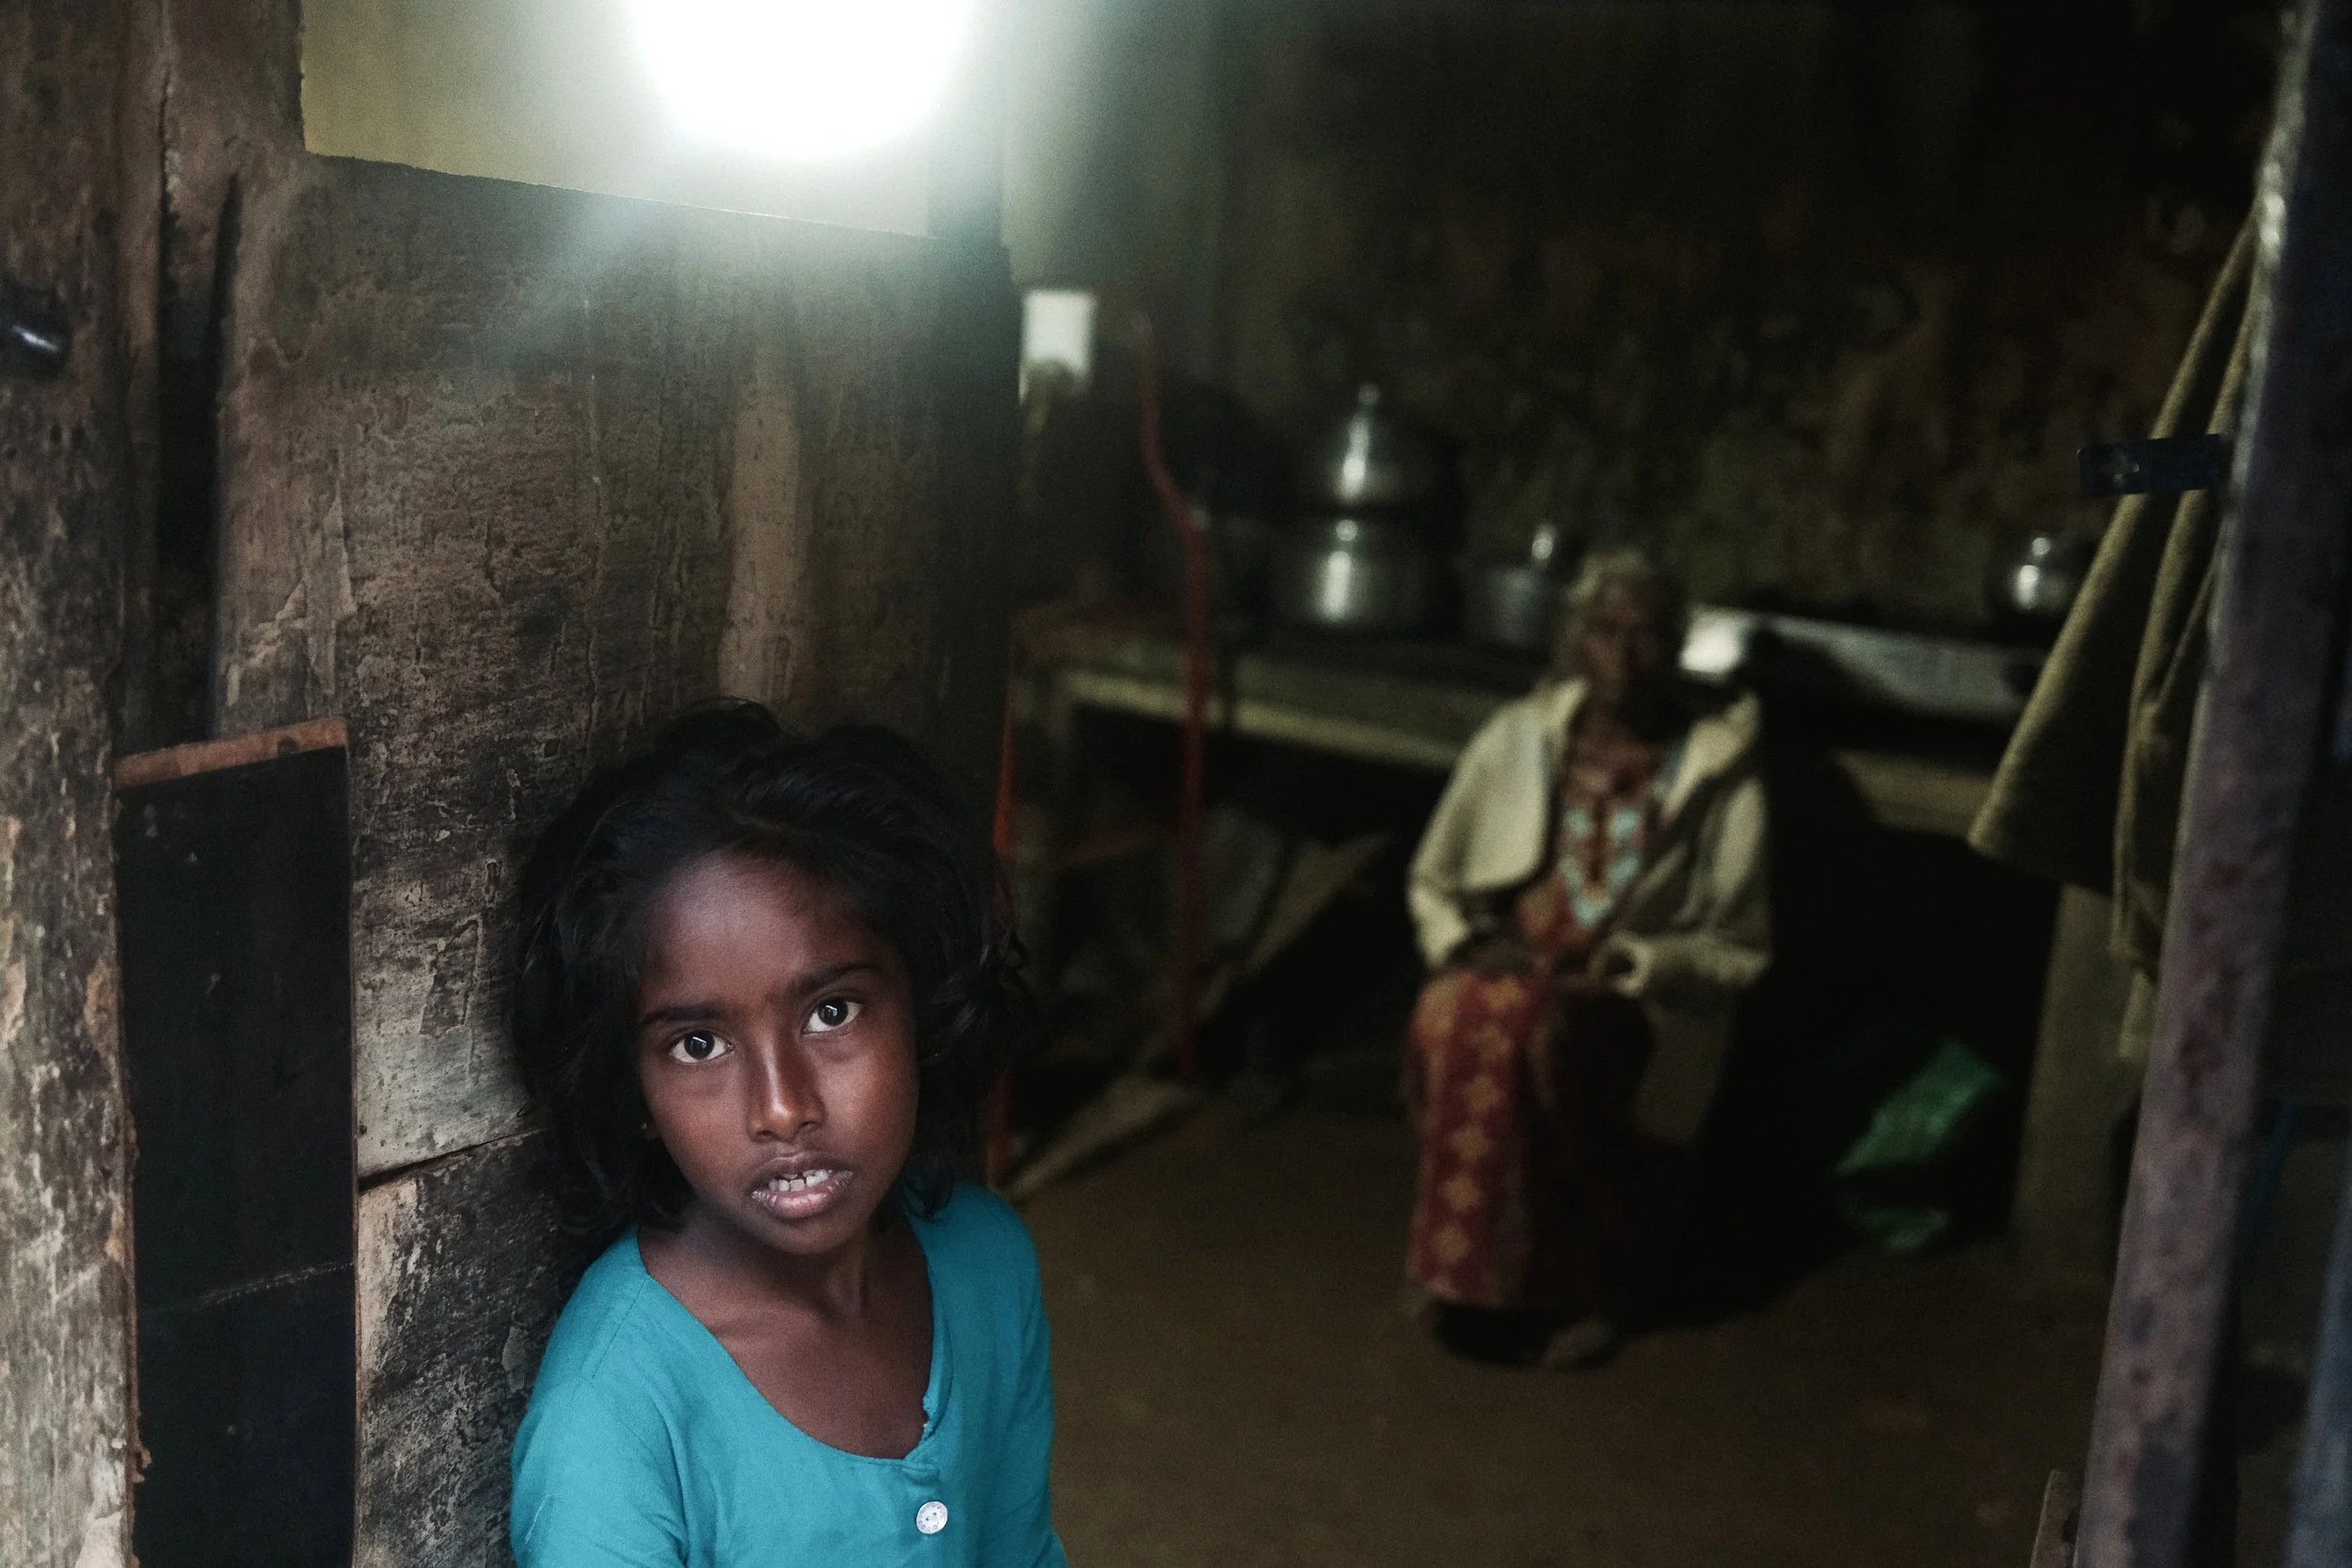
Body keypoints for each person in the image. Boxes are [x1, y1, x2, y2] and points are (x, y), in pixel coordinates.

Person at [507, 703, 1066, 1567]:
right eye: (699, 1044)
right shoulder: (617, 1410)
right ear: (635, 1089)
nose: (782, 1106)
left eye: (831, 1011)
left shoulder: (988, 1267)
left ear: (920, 1009)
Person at [1404, 548, 1769, 1368]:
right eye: (1606, 632)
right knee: (1447, 1013)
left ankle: (1599, 1283)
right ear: (1577, 640)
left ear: (1675, 647)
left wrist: (1639, 961)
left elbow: (1741, 949)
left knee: (1547, 1036)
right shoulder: (1520, 737)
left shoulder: (1717, 765)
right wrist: (1463, 943)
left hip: (1637, 994)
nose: (1624, 656)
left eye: (1647, 636)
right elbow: (1432, 877)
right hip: (1517, 962)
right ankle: (1465, 1268)